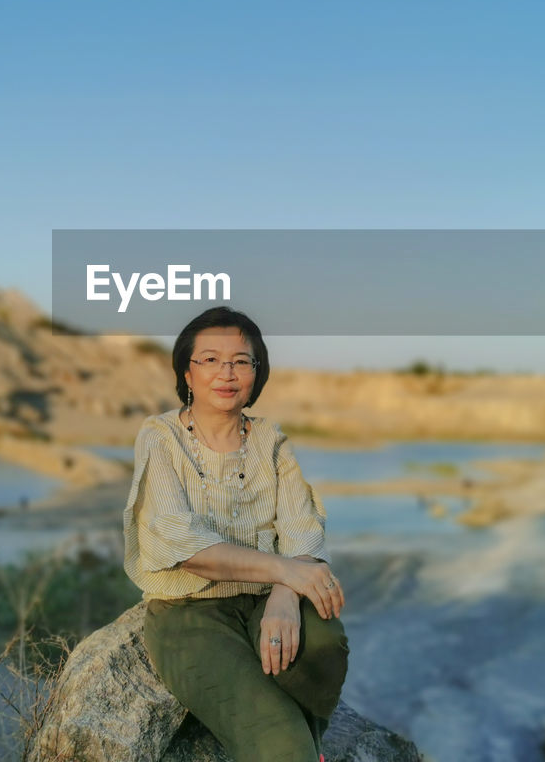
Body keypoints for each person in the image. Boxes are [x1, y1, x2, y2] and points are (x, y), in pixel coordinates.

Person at [122, 306, 349, 762]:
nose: (227, 373)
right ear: (187, 371)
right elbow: (182, 544)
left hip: (265, 596)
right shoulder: (160, 436)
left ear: (256, 372)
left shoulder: (270, 439)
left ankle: (309, 740)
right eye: (210, 359)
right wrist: (288, 570)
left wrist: (285, 594)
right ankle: (298, 747)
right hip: (189, 611)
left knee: (323, 643)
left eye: (241, 361)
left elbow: (302, 530)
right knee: (279, 744)